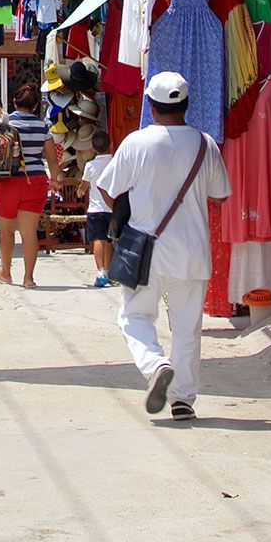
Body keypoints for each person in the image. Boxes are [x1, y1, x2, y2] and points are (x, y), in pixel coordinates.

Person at [98, 72, 230, 421]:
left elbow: (106, 187)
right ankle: (183, 399)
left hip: (145, 252)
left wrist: (129, 210)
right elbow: (220, 193)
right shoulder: (205, 144)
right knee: (187, 327)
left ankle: (156, 363)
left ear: (151, 107)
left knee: (134, 316)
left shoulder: (136, 143)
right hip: (193, 252)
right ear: (186, 105)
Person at [0, 83, 58, 289]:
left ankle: (6, 272)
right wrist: (54, 179)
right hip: (35, 181)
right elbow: (52, 159)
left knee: (6, 230)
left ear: (14, 102)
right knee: (29, 232)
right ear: (36, 104)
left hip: (7, 180)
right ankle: (28, 278)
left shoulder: (4, 122)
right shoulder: (42, 127)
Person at [79, 132, 115, 288]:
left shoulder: (90, 165)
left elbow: (84, 185)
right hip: (113, 208)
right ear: (111, 145)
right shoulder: (115, 162)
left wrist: (80, 191)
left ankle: (101, 272)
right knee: (109, 240)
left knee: (98, 240)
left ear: (93, 148)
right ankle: (108, 271)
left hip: (95, 209)